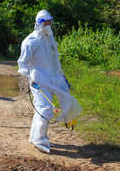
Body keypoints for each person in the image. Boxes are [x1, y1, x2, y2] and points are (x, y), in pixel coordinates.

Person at [18, 10, 82, 154]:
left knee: (57, 104)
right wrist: (30, 78)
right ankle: (39, 140)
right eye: (46, 22)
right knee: (45, 109)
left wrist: (63, 76)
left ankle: (36, 136)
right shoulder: (31, 41)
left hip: (53, 78)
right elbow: (23, 63)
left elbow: (55, 61)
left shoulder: (50, 39)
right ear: (39, 23)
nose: (49, 25)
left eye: (50, 22)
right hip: (39, 80)